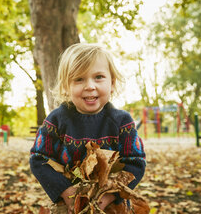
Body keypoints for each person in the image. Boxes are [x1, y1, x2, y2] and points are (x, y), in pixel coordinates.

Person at [30, 43, 146, 213]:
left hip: (113, 203)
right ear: (66, 87)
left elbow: (136, 163)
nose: (90, 86)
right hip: (68, 201)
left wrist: (109, 196)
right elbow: (39, 158)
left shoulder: (122, 123)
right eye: (79, 79)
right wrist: (66, 192)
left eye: (98, 77)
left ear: (112, 83)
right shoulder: (56, 121)